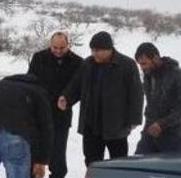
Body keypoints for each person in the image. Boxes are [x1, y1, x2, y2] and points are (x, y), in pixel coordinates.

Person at [58, 31, 143, 166]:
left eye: (98, 50)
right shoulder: (87, 64)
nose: (94, 53)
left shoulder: (127, 65)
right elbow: (76, 84)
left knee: (118, 162)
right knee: (92, 161)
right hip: (91, 124)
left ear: (109, 49)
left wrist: (134, 119)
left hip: (116, 125)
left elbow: (136, 94)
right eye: (92, 50)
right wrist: (66, 98)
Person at [28, 31, 83, 178]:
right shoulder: (39, 58)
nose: (58, 50)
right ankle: (29, 177)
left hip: (62, 112)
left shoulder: (77, 62)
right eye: (55, 47)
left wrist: (68, 99)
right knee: (34, 145)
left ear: (68, 45)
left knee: (58, 149)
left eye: (62, 47)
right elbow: (30, 80)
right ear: (50, 45)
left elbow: (79, 87)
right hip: (40, 110)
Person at [134, 43, 181, 154]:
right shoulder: (148, 75)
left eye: (144, 63)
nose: (142, 67)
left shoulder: (177, 75)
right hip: (149, 135)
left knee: (169, 171)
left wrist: (162, 124)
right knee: (138, 168)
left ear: (156, 58)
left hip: (173, 138)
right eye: (140, 64)